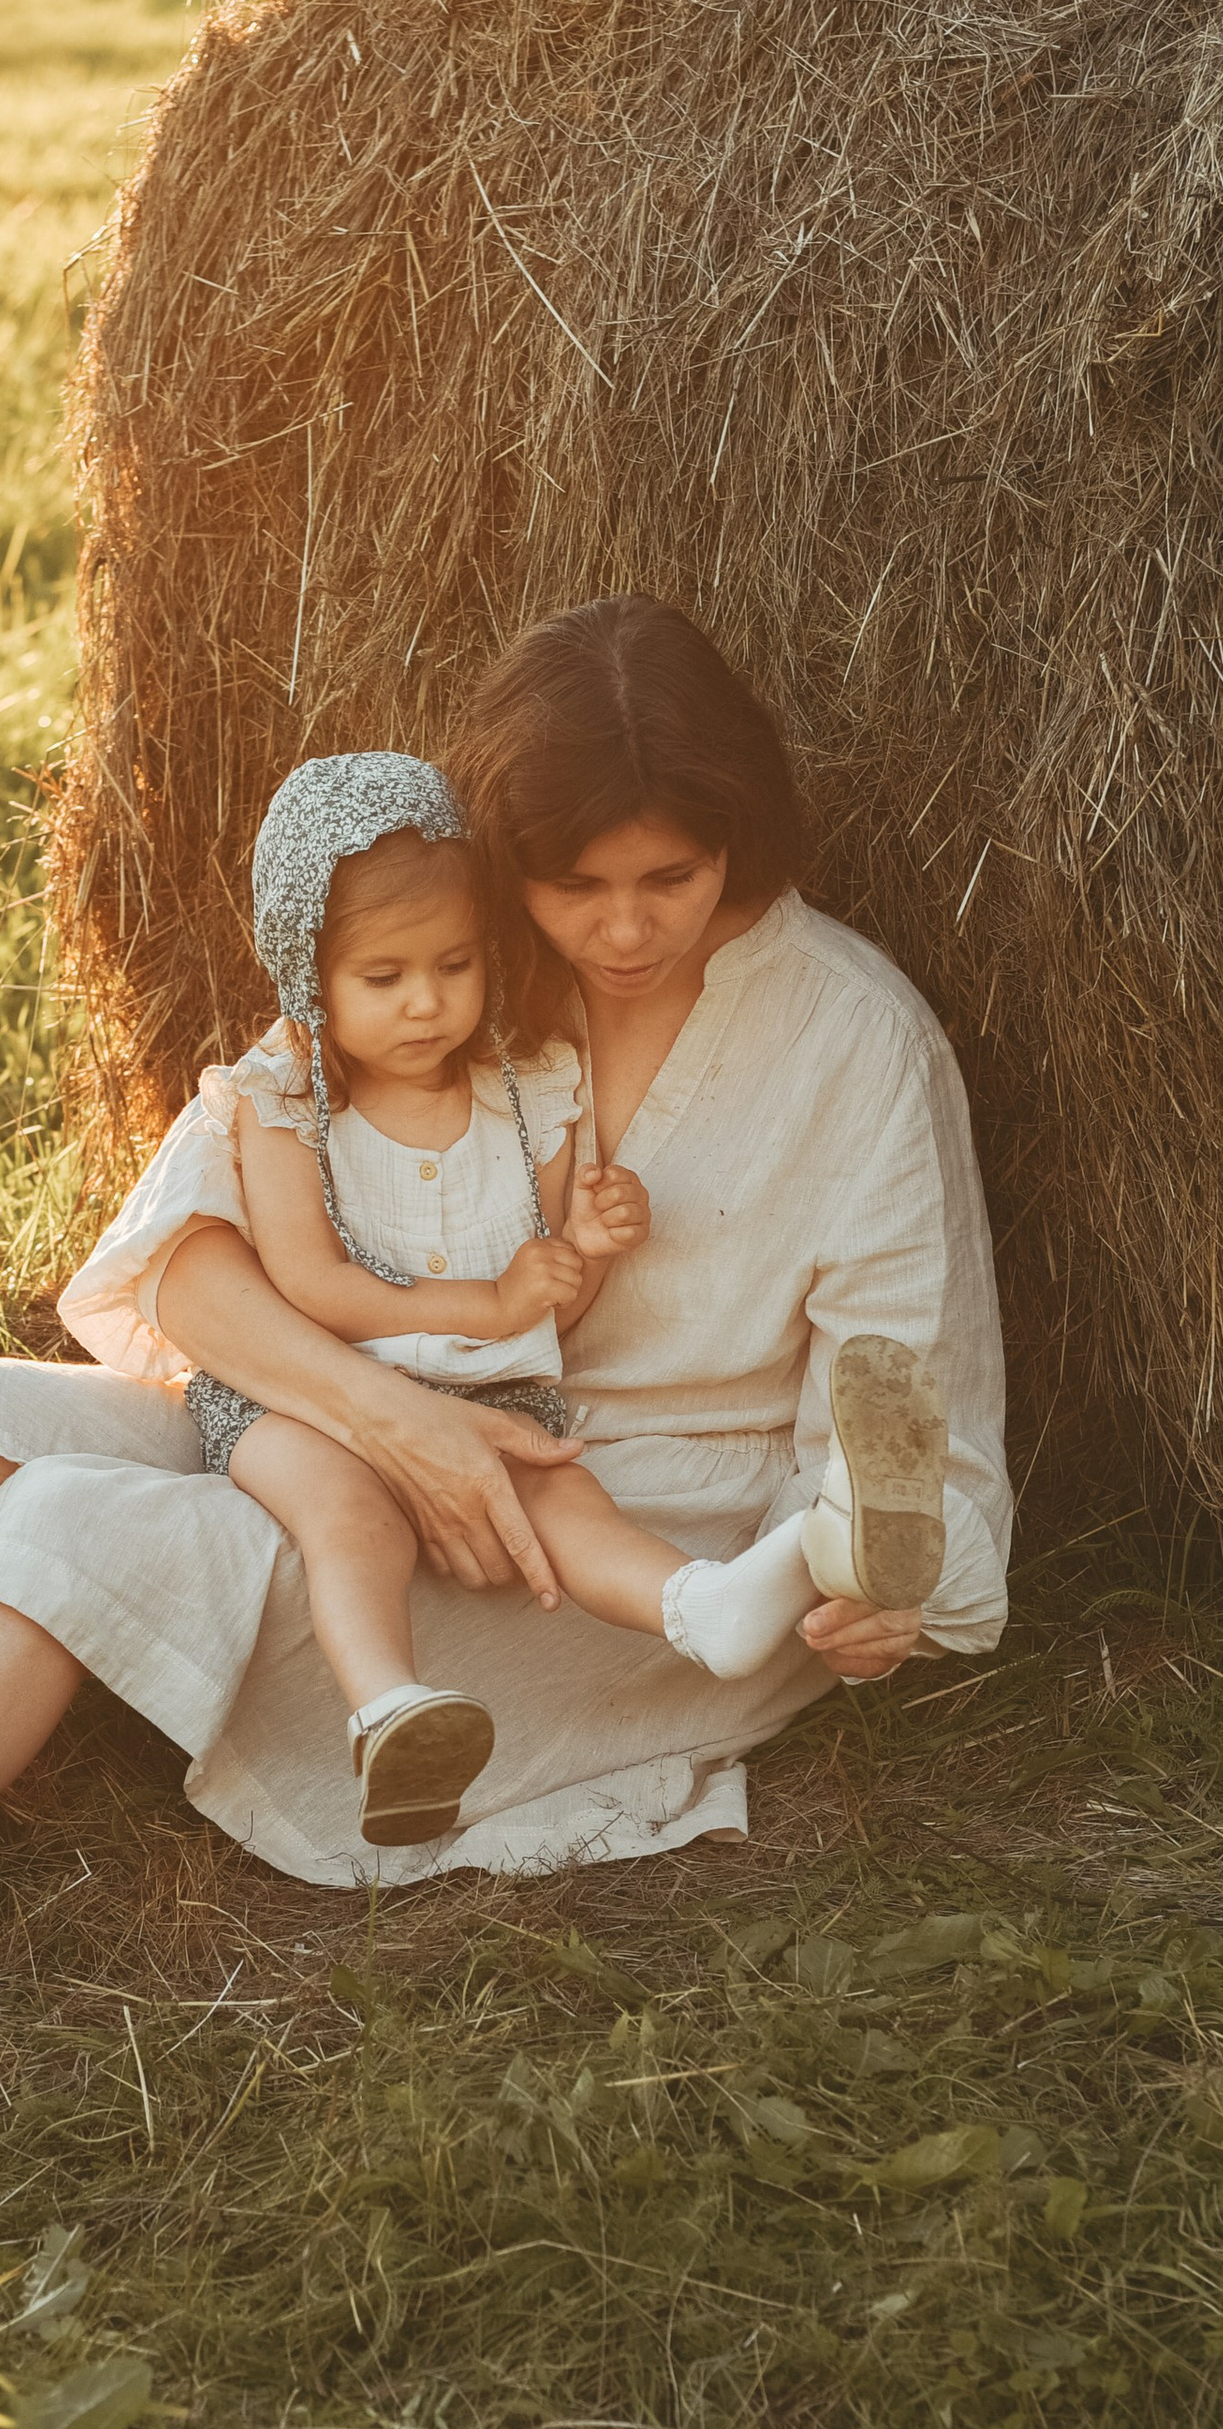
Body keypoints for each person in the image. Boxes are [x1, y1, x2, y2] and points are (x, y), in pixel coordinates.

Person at [0, 595, 1010, 2089]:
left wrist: (866, 1591)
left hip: (645, 1540)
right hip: (389, 1420)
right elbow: (196, 1260)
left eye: (672, 878)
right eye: (575, 882)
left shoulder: (855, 1040)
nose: (623, 927)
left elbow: (903, 1416)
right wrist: (392, 1416)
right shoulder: (455, 960)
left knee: (88, 1525)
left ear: (745, 837)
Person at [93, 748, 952, 1852]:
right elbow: (311, 1285)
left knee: (572, 1505)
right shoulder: (281, 1102)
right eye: (383, 978)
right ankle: (387, 1704)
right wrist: (493, 1302)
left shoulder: (528, 1084)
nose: (425, 1003)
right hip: (308, 1408)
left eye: (453, 965)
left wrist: (585, 1244)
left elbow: (552, 1284)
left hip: (493, 1391)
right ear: (308, 976)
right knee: (345, 1519)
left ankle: (717, 1605)